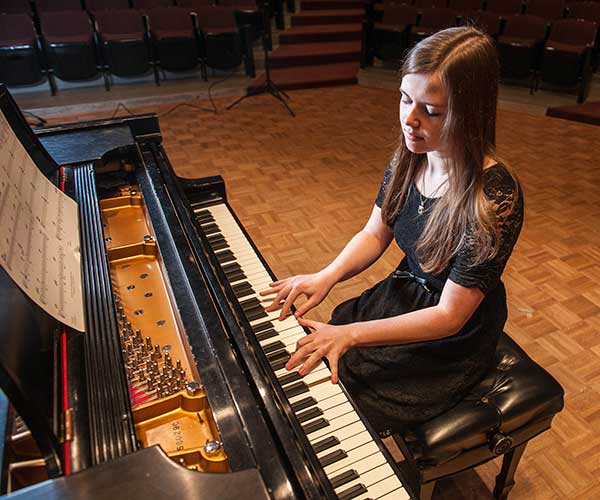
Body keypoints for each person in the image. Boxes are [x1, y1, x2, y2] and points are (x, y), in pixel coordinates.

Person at [261, 26, 524, 434]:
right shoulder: (410, 156)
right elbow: (375, 233)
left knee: (353, 386)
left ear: (470, 112)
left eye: (431, 111)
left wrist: (351, 334)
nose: (409, 119)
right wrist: (325, 276)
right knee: (332, 344)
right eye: (404, 98)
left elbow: (449, 316)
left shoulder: (494, 199)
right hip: (409, 291)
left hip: (450, 329)